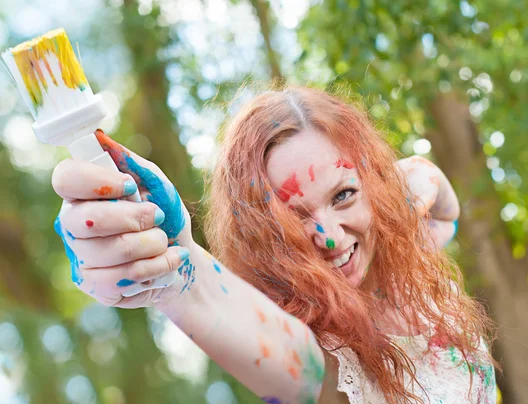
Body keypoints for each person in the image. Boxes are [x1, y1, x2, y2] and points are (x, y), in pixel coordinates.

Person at [51, 86, 496, 403]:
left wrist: (407, 178)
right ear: (262, 239)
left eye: (343, 195)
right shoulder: (321, 359)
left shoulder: (408, 256)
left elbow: (442, 210)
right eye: (294, 219)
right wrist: (180, 271)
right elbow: (285, 357)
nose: (331, 236)